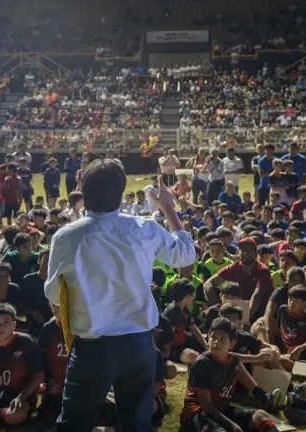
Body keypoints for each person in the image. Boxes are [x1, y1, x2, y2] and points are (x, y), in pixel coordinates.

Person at [45, 160, 195, 432]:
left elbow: (55, 294)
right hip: (137, 345)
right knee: (136, 424)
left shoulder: (66, 237)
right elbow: (185, 253)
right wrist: (168, 207)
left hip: (93, 347)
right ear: (120, 191)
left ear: (83, 190)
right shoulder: (143, 228)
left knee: (74, 423)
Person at [179, 318, 283, 432]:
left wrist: (264, 396)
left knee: (260, 415)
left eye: (222, 339)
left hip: (222, 409)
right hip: (197, 413)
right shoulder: (201, 364)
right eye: (213, 337)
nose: (216, 342)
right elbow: (207, 407)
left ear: (232, 344)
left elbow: (240, 365)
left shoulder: (233, 361)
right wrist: (232, 426)